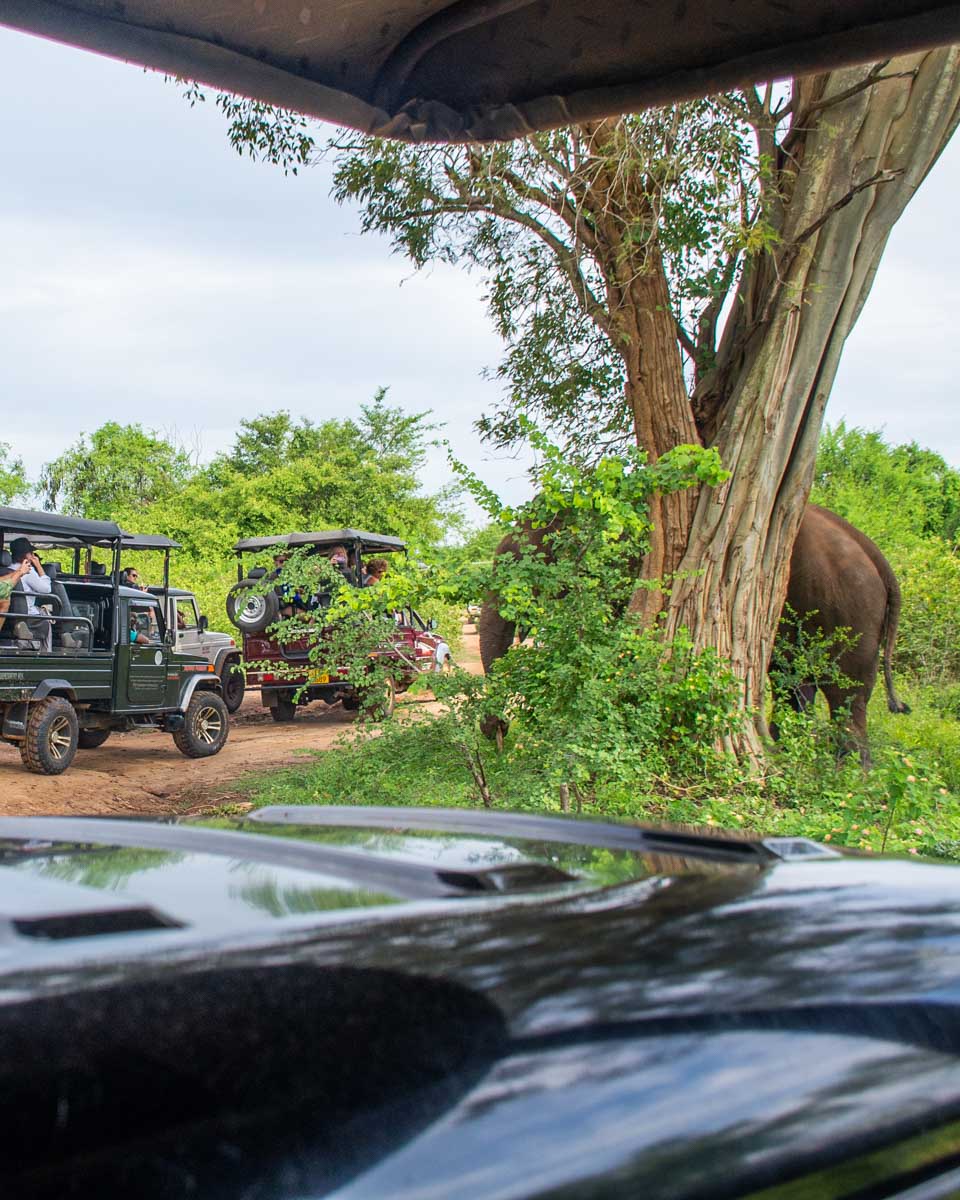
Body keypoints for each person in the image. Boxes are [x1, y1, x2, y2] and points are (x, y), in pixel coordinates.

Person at [9, 537, 52, 648]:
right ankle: (47, 651)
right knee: (46, 618)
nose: (33, 555)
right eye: (31, 552)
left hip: (9, 615)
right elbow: (46, 589)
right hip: (28, 614)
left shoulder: (7, 569)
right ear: (25, 555)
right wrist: (38, 565)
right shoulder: (27, 571)